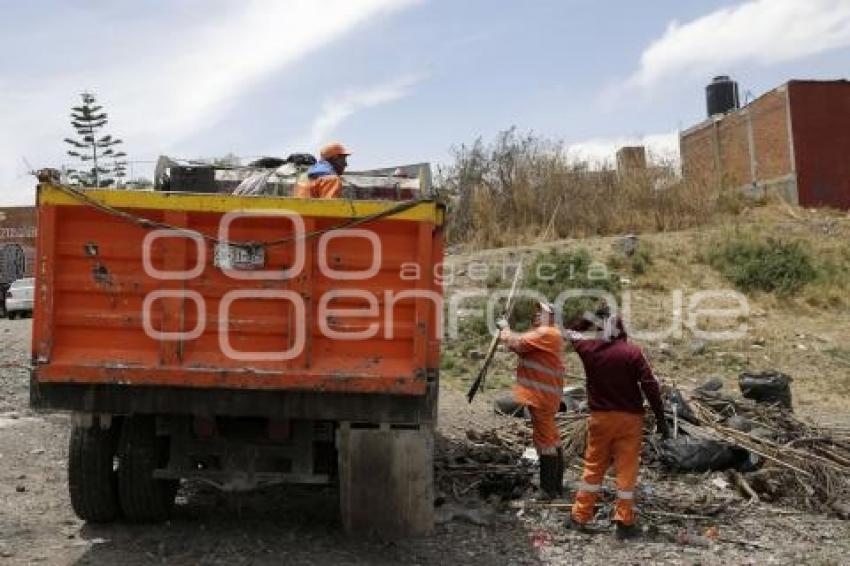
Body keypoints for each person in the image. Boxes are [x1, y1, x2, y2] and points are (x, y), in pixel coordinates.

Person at [565, 308, 668, 539]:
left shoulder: (589, 350)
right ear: (621, 329)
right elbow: (650, 385)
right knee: (627, 469)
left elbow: (571, 331)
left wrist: (590, 316)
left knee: (593, 467)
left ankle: (580, 516)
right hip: (630, 419)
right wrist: (661, 419)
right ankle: (623, 521)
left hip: (600, 418)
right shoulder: (633, 353)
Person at [498, 301, 565, 499]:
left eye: (541, 312)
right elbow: (521, 346)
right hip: (545, 395)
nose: (536, 314)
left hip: (541, 396)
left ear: (552, 317)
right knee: (551, 438)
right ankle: (556, 487)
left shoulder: (547, 333)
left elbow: (516, 343)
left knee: (545, 441)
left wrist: (505, 329)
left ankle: (548, 490)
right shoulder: (546, 334)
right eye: (536, 311)